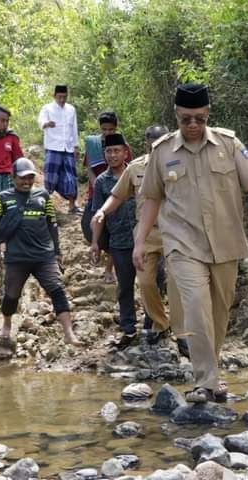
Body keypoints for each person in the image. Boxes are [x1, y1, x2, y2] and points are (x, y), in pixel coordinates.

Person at [133, 84, 248, 403]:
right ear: (176, 116)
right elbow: (151, 199)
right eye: (185, 120)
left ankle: (212, 373)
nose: (192, 126)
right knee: (195, 307)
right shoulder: (162, 151)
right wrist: (140, 242)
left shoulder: (229, 144)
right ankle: (205, 381)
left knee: (218, 314)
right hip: (182, 245)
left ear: (207, 115)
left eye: (199, 119)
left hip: (225, 243)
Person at [92, 125, 188, 355]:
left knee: (176, 283)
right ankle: (160, 324)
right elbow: (117, 194)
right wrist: (102, 212)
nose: (156, 144)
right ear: (146, 143)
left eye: (161, 140)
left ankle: (183, 332)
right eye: (151, 141)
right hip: (146, 234)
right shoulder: (136, 168)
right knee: (145, 283)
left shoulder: (183, 163)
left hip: (176, 232)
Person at [0, 157, 83, 348]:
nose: (26, 182)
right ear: (13, 177)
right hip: (17, 257)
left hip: (44, 255)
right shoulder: (3, 198)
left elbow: (52, 225)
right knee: (11, 294)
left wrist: (57, 251)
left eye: (30, 178)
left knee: (57, 289)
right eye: (22, 178)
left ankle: (69, 333)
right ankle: (7, 323)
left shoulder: (43, 196)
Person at [90, 134, 138, 349]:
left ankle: (153, 325)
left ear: (125, 152)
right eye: (108, 151)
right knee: (125, 286)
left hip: (144, 238)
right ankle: (129, 328)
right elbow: (98, 215)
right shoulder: (101, 182)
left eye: (116, 151)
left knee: (153, 282)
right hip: (119, 240)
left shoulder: (138, 173)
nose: (112, 155)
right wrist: (95, 243)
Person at [81, 111, 134, 283]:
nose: (107, 133)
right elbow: (89, 167)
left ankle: (110, 268)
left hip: (120, 194)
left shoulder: (123, 146)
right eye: (104, 129)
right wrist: (97, 182)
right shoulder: (93, 144)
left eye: (111, 129)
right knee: (93, 227)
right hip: (98, 190)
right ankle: (100, 250)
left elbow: (131, 170)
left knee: (117, 231)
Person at [38, 85, 81, 214]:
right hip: (53, 146)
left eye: (64, 97)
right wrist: (46, 124)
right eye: (59, 97)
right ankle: (47, 205)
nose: (62, 99)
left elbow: (74, 129)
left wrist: (76, 146)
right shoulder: (47, 108)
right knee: (51, 177)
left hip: (68, 147)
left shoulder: (71, 109)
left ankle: (72, 206)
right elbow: (41, 121)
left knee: (71, 177)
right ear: (54, 96)